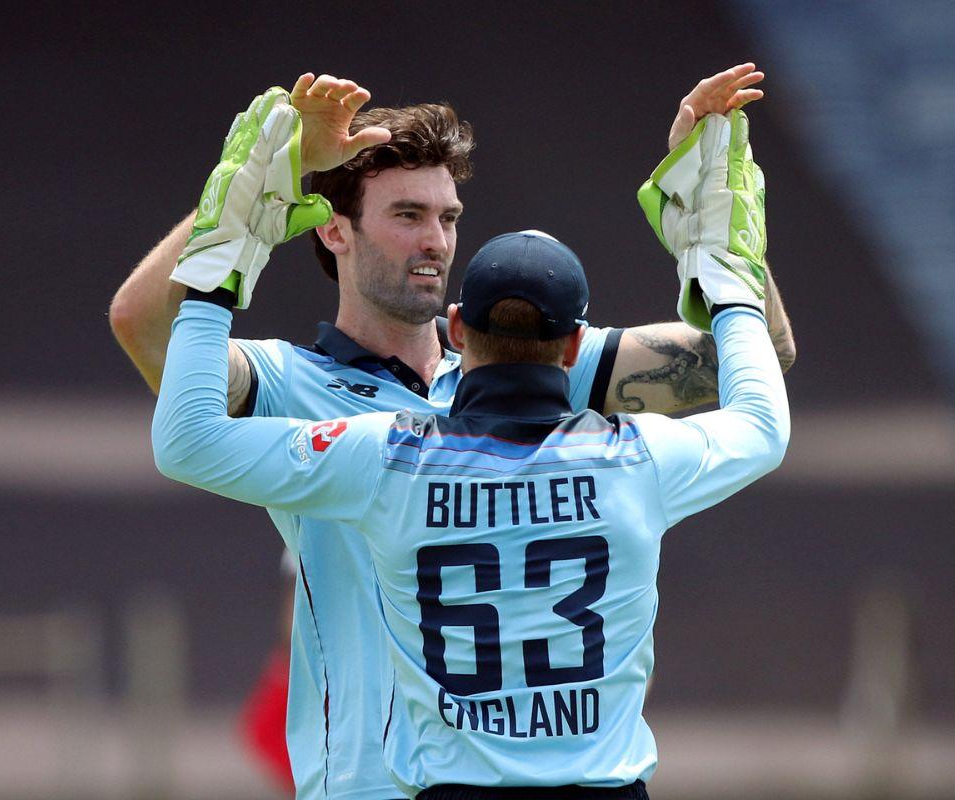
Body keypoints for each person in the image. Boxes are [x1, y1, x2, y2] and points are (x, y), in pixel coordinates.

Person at [111, 67, 794, 799]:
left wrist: (710, 207)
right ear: (334, 227)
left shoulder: (531, 361)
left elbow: (760, 355)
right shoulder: (286, 382)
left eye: (448, 216)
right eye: (407, 215)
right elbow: (141, 324)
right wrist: (253, 185)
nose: (436, 241)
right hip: (363, 786)